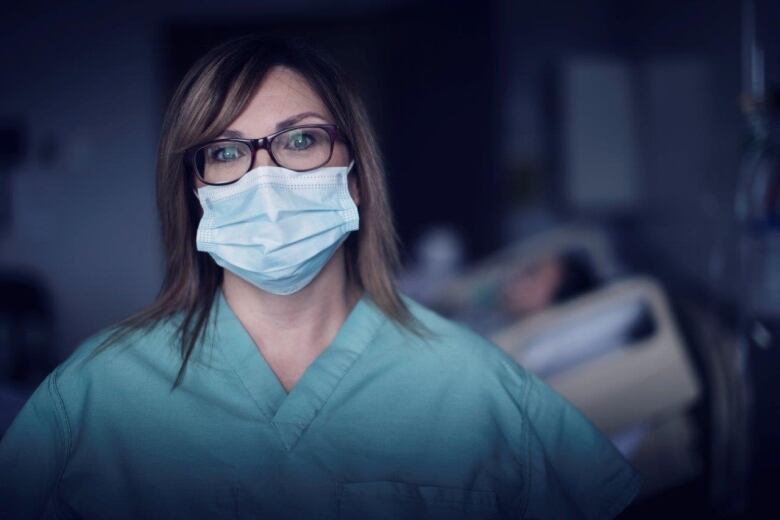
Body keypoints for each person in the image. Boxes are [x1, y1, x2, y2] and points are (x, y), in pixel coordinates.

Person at [0, 35, 640, 519]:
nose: (264, 177)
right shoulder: (95, 396)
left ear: (356, 180)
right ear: (195, 189)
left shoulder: (474, 388)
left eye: (300, 141)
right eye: (224, 152)